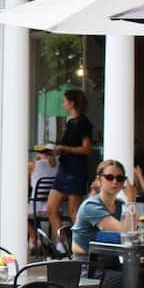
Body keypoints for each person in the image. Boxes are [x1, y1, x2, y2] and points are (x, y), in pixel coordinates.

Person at [47, 89, 94, 255]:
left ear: (72, 103)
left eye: (64, 101)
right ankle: (61, 244)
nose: (63, 104)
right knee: (51, 208)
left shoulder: (83, 123)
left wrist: (64, 148)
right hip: (65, 166)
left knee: (74, 212)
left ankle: (79, 247)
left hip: (76, 168)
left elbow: (86, 148)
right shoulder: (70, 123)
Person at [71, 160, 137, 255]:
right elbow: (126, 232)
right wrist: (131, 200)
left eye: (120, 178)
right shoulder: (91, 206)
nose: (115, 182)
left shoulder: (119, 204)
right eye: (109, 177)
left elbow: (131, 231)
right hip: (86, 262)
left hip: (108, 257)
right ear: (99, 180)